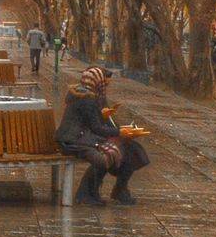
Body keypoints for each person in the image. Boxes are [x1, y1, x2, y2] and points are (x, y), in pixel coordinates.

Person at [55, 65, 149, 207]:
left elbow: (92, 121)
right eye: (103, 83)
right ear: (97, 83)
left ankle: (118, 190)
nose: (105, 87)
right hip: (72, 141)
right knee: (106, 155)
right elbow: (96, 128)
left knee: (130, 148)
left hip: (80, 138)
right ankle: (87, 194)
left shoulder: (84, 95)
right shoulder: (87, 98)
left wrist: (105, 117)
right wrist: (120, 132)